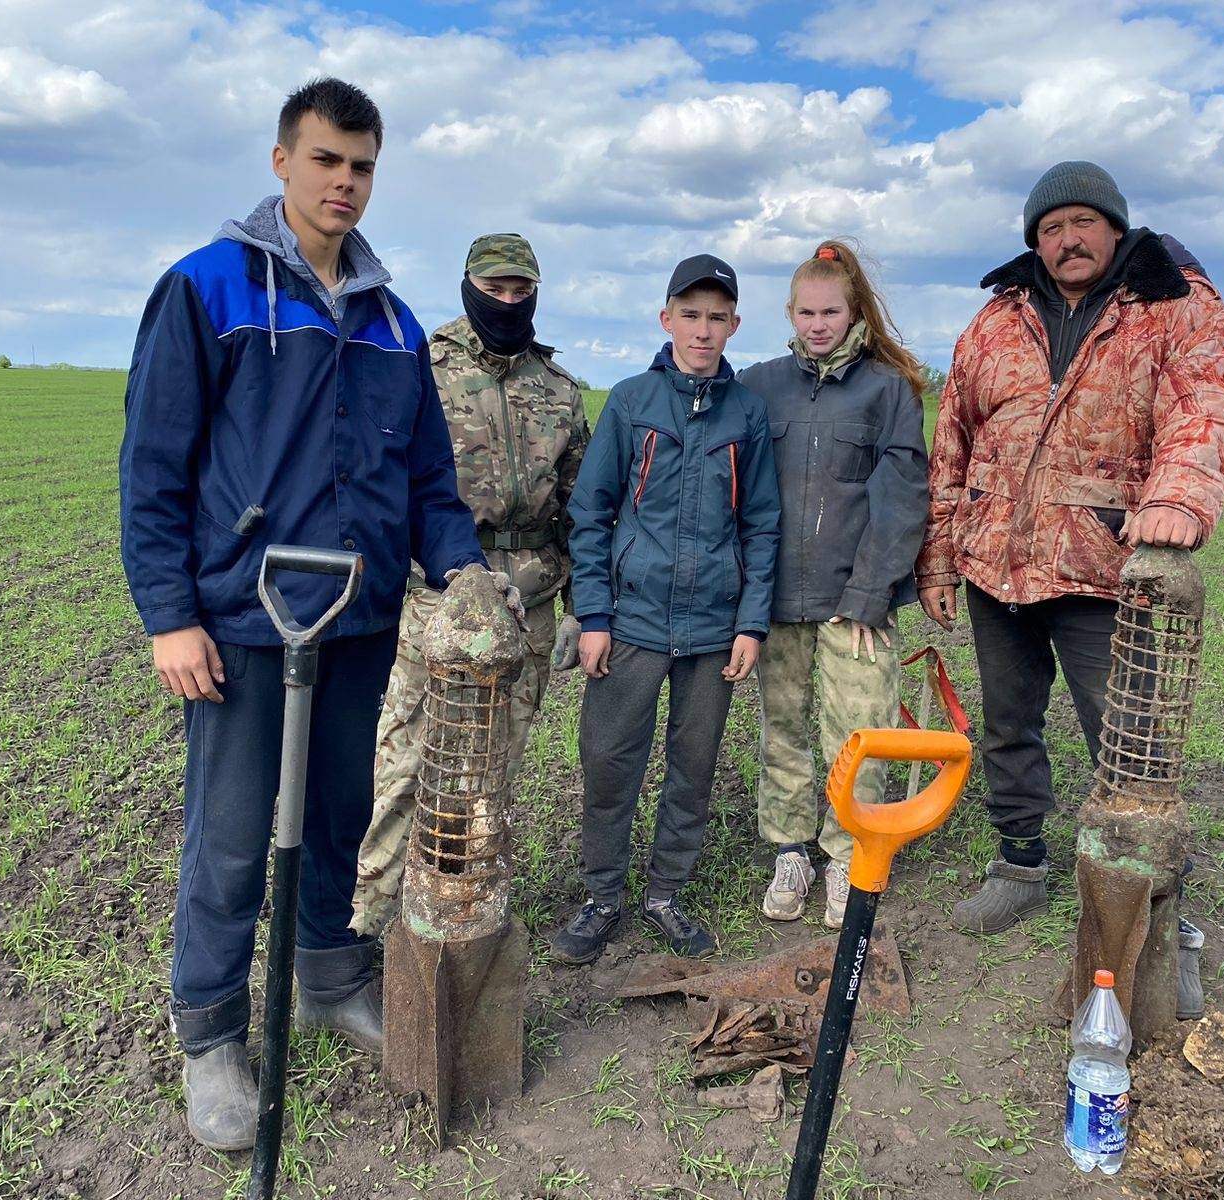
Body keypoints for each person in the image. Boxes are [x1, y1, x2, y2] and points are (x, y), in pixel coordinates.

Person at [119, 78, 514, 1152]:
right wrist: (169, 616)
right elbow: (153, 466)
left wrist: (466, 573)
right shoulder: (207, 289)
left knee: (339, 814)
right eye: (327, 160)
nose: (345, 182)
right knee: (232, 834)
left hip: (357, 619)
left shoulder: (390, 321)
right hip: (244, 622)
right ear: (283, 161)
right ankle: (211, 1033)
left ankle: (331, 978)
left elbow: (428, 482)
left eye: (363, 166)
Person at [916, 160, 1224, 937]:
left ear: (1115, 229)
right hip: (995, 561)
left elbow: (1203, 409)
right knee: (1008, 723)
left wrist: (1175, 502)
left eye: (1083, 223)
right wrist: (939, 558)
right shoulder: (996, 320)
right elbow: (952, 440)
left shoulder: (1172, 304)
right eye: (1052, 228)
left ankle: (1149, 888)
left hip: (1104, 566)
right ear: (1036, 240)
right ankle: (1019, 865)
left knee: (1125, 733)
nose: (1068, 239)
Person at [351, 234, 589, 939]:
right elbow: (384, 486)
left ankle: (458, 918)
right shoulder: (423, 368)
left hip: (527, 608)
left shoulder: (559, 389)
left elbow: (580, 508)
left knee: (490, 775)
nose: (507, 301)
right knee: (406, 766)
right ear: (468, 287)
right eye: (494, 289)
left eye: (520, 290)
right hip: (438, 600)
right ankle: (368, 922)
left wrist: (579, 608)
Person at [551, 254, 781, 964]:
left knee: (693, 764)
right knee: (609, 760)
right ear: (666, 319)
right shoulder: (631, 402)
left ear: (734, 325)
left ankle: (665, 894)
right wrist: (594, 617)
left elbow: (762, 524)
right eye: (690, 315)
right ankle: (602, 897)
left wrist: (750, 623)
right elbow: (590, 513)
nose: (703, 330)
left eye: (717, 317)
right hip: (633, 621)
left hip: (713, 629)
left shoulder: (747, 414)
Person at [737, 240, 929, 929]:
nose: (818, 325)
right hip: (778, 596)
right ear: (789, 313)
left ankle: (849, 853)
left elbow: (901, 499)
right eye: (807, 313)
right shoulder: (758, 386)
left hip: (855, 603)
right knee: (783, 727)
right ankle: (791, 850)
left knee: (860, 732)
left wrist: (869, 594)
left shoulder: (887, 390)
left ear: (854, 315)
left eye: (831, 313)